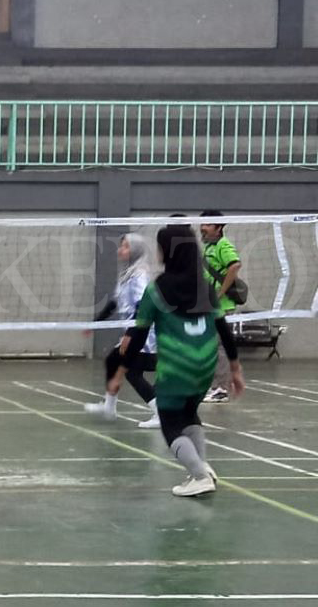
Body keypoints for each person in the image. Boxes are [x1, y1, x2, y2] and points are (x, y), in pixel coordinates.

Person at [116, 224, 245, 497]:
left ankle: (199, 475)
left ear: (168, 252)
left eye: (160, 247)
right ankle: (201, 469)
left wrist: (121, 371)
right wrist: (235, 368)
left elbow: (138, 336)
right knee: (188, 415)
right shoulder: (206, 289)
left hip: (176, 368)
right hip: (205, 368)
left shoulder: (156, 290)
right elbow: (224, 330)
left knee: (170, 424)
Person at [84, 233, 160, 429]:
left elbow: (142, 306)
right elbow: (114, 303)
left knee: (133, 372)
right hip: (133, 331)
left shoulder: (140, 275)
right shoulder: (127, 275)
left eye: (125, 246)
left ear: (135, 251)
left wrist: (130, 334)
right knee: (112, 360)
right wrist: (95, 323)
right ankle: (109, 407)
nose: (120, 250)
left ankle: (160, 412)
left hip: (144, 334)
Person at [200, 210, 243, 403]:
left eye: (208, 224)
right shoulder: (208, 247)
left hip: (222, 306)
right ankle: (215, 385)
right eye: (202, 224)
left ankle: (220, 389)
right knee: (211, 347)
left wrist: (220, 293)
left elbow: (235, 265)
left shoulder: (223, 245)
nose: (203, 228)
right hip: (209, 305)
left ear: (218, 228)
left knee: (220, 347)